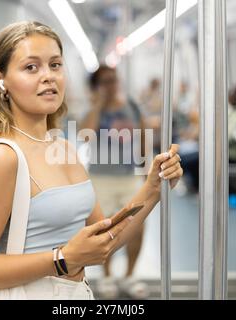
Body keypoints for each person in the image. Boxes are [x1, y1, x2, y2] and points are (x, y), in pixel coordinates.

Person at [0, 21, 183, 300]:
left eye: (55, 65)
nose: (48, 76)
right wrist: (62, 259)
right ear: (1, 80)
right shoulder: (3, 155)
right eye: (31, 67)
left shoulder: (62, 147)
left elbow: (104, 242)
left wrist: (153, 189)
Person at [79, 65, 151, 299]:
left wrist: (145, 166)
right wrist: (99, 103)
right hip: (101, 178)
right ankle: (108, 275)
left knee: (138, 227)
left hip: (128, 176)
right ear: (97, 86)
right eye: (105, 81)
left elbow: (142, 135)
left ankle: (129, 275)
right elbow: (85, 135)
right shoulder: (91, 110)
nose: (111, 85)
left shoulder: (130, 106)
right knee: (105, 229)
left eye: (113, 80)